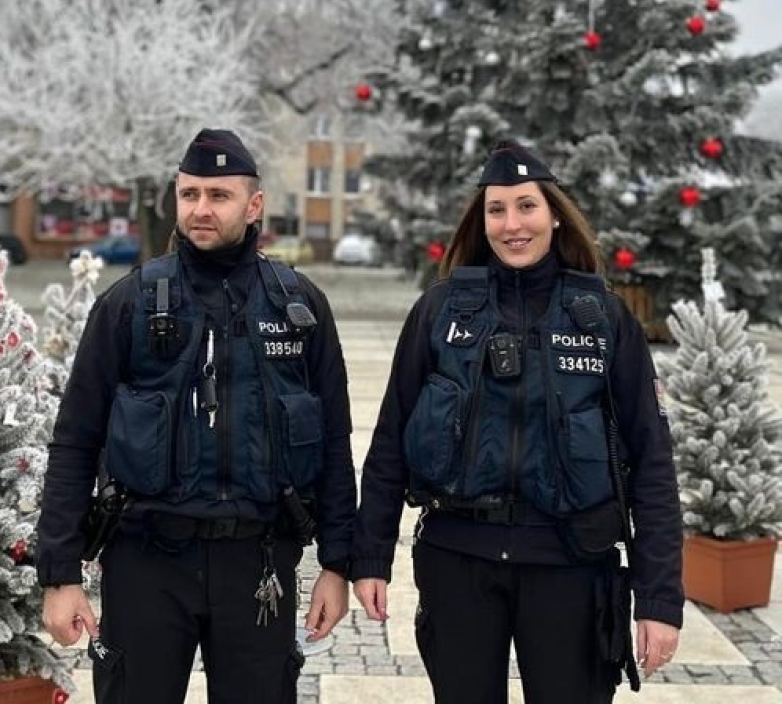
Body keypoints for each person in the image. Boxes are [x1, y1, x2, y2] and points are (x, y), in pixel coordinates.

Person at [351, 140, 683, 704]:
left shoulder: (602, 318)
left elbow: (652, 461)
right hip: (459, 563)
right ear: (481, 222)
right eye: (497, 210)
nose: (512, 225)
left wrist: (659, 600)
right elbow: (390, 442)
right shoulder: (439, 311)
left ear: (554, 212)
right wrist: (369, 557)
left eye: (526, 206)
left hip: (571, 569)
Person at [37, 128, 356, 704]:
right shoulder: (129, 304)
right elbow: (75, 441)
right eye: (190, 195)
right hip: (146, 561)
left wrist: (338, 563)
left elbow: (333, 439)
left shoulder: (300, 308)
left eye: (218, 195)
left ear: (253, 204)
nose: (200, 209)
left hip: (259, 560)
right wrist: (60, 575)